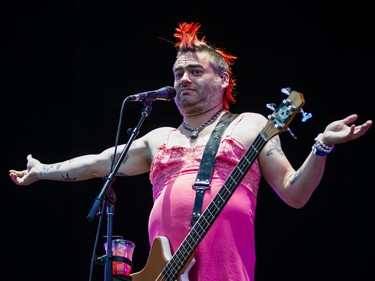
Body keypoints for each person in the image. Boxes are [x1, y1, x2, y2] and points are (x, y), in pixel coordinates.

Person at [9, 22, 372, 281]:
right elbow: (98, 163)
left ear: (223, 79)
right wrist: (43, 170)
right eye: (178, 72)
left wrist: (321, 146)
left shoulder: (249, 124)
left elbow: (294, 193)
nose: (183, 79)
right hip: (163, 272)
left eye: (195, 71)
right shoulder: (159, 136)